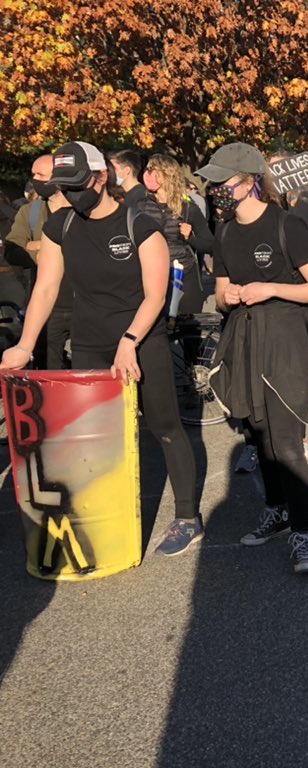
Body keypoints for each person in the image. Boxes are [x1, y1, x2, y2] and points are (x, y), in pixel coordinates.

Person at [0, 141, 203, 556]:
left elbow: (155, 295)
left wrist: (130, 342)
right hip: (90, 342)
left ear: (101, 177)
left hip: (142, 339)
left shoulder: (140, 225)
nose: (70, 195)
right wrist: (23, 345)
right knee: (94, 437)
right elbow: (46, 288)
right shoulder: (61, 226)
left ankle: (187, 517)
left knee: (164, 427)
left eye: (77, 185)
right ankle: (100, 517)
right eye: (64, 188)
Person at [198, 142, 308, 574]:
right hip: (244, 338)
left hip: (285, 339)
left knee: (287, 441)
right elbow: (219, 293)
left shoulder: (286, 225)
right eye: (213, 182)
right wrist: (229, 295)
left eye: (224, 182)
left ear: (251, 181)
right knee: (258, 435)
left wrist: (271, 288)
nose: (216, 189)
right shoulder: (223, 232)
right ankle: (276, 510)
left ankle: (302, 532)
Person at [3, 154, 73, 366]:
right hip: (44, 303)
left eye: (41, 175)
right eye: (33, 174)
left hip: (81, 301)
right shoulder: (30, 211)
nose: (35, 180)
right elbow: (13, 251)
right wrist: (45, 253)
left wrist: (39, 245)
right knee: (46, 365)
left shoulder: (80, 210)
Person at [137, 154, 215, 316]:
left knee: (189, 331)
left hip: (184, 275)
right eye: (147, 169)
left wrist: (190, 238)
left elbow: (209, 244)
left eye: (152, 169)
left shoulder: (188, 208)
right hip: (151, 276)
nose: (147, 173)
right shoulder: (140, 206)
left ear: (167, 174)